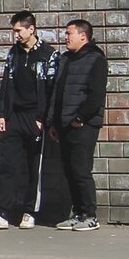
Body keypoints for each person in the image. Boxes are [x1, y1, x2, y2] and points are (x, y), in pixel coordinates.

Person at [0, 11, 57, 230]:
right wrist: (1, 114)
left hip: (35, 118)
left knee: (34, 167)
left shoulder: (48, 54)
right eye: (14, 31)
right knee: (9, 164)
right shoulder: (13, 54)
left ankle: (29, 212)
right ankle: (3, 212)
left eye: (18, 31)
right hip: (14, 116)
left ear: (31, 29)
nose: (15, 35)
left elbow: (52, 90)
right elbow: (7, 85)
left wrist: (44, 119)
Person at [47, 19, 109, 231]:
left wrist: (80, 118)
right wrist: (52, 121)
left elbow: (96, 94)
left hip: (84, 125)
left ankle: (90, 215)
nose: (65, 37)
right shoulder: (66, 59)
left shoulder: (95, 59)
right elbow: (57, 91)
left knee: (81, 170)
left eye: (69, 33)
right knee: (69, 170)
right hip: (64, 123)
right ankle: (78, 213)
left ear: (83, 36)